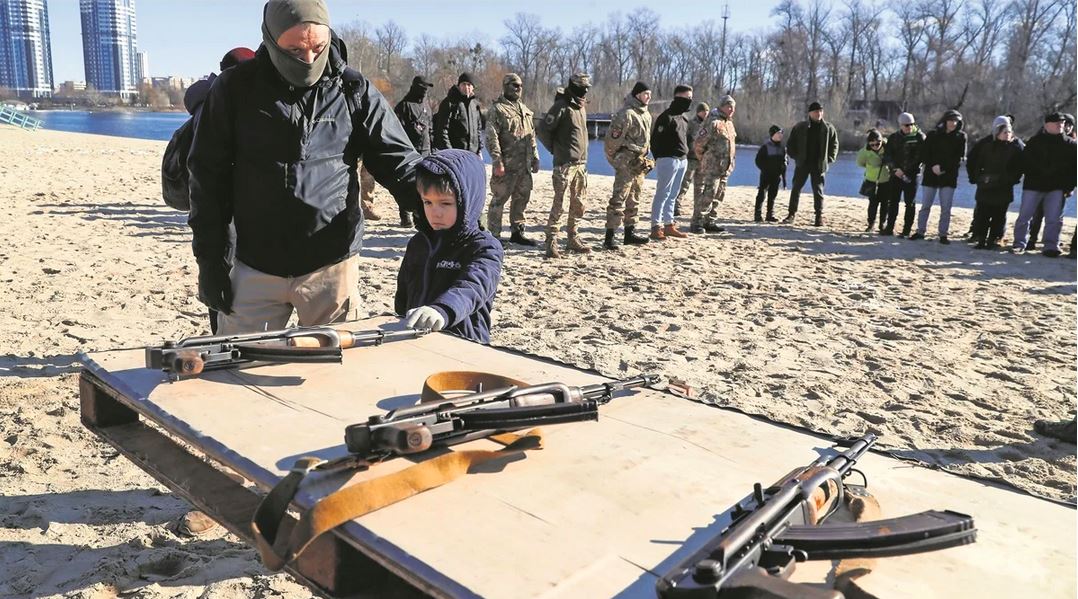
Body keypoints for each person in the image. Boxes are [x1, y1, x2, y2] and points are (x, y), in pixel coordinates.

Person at [188, 0, 422, 337]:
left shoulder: (353, 90)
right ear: (270, 39)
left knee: (335, 376)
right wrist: (210, 263)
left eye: (318, 47)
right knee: (239, 372)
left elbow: (397, 159)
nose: (309, 59)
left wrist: (435, 196)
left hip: (331, 266)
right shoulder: (233, 90)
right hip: (255, 265)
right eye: (295, 50)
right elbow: (207, 179)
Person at [396, 150, 502, 343]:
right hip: (417, 341)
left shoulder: (484, 248)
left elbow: (473, 287)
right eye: (428, 202)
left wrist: (442, 310)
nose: (435, 212)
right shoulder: (419, 243)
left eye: (445, 203)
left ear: (468, 201)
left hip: (463, 344)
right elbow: (404, 291)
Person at [537, 73, 592, 258]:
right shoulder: (561, 106)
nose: (584, 91)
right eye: (581, 88)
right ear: (572, 86)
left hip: (581, 164)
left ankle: (572, 237)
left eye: (586, 88)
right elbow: (543, 129)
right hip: (564, 164)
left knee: (578, 204)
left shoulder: (581, 108)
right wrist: (556, 149)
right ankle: (551, 240)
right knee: (559, 204)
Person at [485, 73, 540, 247]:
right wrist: (497, 161)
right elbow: (491, 138)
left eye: (520, 86)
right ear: (506, 86)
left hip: (523, 166)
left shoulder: (524, 110)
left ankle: (518, 232)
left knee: (522, 198)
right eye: (514, 85)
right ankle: (493, 235)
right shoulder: (497, 109)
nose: (518, 88)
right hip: (506, 165)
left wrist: (535, 156)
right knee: (498, 200)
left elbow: (531, 136)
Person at [1010, 112, 1076, 257]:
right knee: (1025, 216)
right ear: (1047, 125)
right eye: (1057, 122)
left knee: (1054, 218)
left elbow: (1073, 170)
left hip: (1057, 188)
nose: (1060, 125)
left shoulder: (1071, 145)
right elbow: (1024, 163)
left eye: (1062, 123)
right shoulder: (1035, 142)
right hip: (1034, 185)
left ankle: (1051, 246)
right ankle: (1019, 243)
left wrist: (1069, 187)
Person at [603, 81, 654, 249]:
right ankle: (610, 236)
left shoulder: (646, 115)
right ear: (637, 95)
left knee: (634, 198)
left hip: (639, 162)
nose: (649, 97)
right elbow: (611, 141)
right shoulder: (626, 114)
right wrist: (617, 160)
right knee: (619, 198)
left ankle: (629, 233)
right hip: (626, 161)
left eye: (650, 94)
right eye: (646, 94)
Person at [966, 116, 1023, 249]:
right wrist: (978, 178)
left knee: (999, 216)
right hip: (986, 186)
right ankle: (980, 238)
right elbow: (976, 163)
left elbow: (1019, 167)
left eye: (1009, 132)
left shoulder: (1015, 148)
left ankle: (995, 239)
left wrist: (1011, 179)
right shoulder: (986, 146)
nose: (1007, 135)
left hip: (1004, 187)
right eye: (1004, 132)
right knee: (983, 214)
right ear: (997, 133)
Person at [648, 84, 694, 240]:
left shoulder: (684, 118)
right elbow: (655, 141)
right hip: (668, 160)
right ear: (678, 98)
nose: (690, 101)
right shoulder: (665, 117)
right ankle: (656, 226)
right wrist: (659, 158)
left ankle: (668, 224)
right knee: (663, 193)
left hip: (682, 160)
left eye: (691, 98)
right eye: (687, 98)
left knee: (673, 194)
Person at [912, 110, 966, 244]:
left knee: (946, 208)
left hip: (949, 176)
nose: (953, 123)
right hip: (931, 174)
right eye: (950, 120)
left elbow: (959, 158)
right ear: (945, 120)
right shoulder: (933, 135)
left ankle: (943, 234)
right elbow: (924, 154)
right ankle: (920, 231)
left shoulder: (961, 137)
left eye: (956, 121)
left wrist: (944, 169)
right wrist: (933, 165)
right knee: (925, 205)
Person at [781, 101, 838, 226]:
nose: (819, 114)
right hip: (803, 163)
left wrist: (829, 159)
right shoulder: (800, 127)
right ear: (810, 113)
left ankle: (818, 217)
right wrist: (795, 156)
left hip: (819, 165)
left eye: (821, 111)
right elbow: (790, 144)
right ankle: (791, 214)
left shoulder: (828, 128)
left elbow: (834, 145)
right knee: (796, 188)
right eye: (816, 111)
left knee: (818, 191)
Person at [394, 75, 436, 228]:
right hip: (408, 152)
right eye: (422, 87)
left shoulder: (426, 106)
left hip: (426, 152)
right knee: (407, 185)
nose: (425, 91)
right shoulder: (403, 106)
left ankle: (420, 216)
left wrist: (432, 149)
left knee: (424, 186)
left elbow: (430, 129)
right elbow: (396, 131)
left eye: (427, 88)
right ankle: (405, 215)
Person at [692, 95, 738, 233]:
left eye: (733, 107)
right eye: (728, 106)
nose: (731, 110)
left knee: (719, 195)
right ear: (722, 106)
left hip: (725, 167)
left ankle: (710, 221)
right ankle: (697, 222)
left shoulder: (729, 123)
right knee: (708, 194)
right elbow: (699, 143)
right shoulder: (713, 122)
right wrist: (705, 159)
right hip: (712, 166)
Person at [883, 112, 926, 237]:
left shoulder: (920, 137)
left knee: (910, 203)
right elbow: (887, 156)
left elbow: (920, 157)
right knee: (893, 201)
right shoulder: (894, 138)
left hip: (912, 175)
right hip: (896, 174)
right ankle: (889, 227)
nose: (909, 127)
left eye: (911, 124)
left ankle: (906, 230)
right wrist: (895, 169)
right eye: (906, 125)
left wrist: (905, 171)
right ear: (900, 125)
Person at [674, 102, 710, 217]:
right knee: (684, 184)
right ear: (699, 112)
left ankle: (698, 209)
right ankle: (676, 206)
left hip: (703, 160)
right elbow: (683, 139)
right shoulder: (691, 124)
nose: (706, 113)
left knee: (700, 186)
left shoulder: (709, 125)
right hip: (691, 158)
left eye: (707, 111)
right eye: (704, 111)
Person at [434, 72, 484, 155]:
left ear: (473, 87)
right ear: (459, 86)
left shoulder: (475, 105)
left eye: (469, 85)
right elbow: (442, 131)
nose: (466, 87)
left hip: (473, 154)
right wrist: (450, 152)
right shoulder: (449, 103)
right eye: (463, 84)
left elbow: (478, 129)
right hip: (455, 154)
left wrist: (479, 149)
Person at [855, 129, 890, 233]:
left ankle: (882, 224)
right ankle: (871, 224)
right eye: (872, 144)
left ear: (881, 140)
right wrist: (871, 167)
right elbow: (860, 163)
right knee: (873, 204)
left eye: (878, 143)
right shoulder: (864, 152)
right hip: (871, 180)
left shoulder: (888, 147)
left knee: (885, 203)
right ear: (868, 143)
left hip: (886, 180)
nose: (875, 146)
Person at [754, 124, 787, 223]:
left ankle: (770, 215)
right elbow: (758, 161)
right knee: (761, 195)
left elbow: (785, 163)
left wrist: (784, 178)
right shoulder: (765, 147)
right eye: (778, 133)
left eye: (781, 133)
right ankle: (757, 215)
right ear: (772, 134)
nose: (780, 135)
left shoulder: (783, 148)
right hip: (766, 175)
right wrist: (765, 169)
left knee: (772, 195)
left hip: (777, 176)